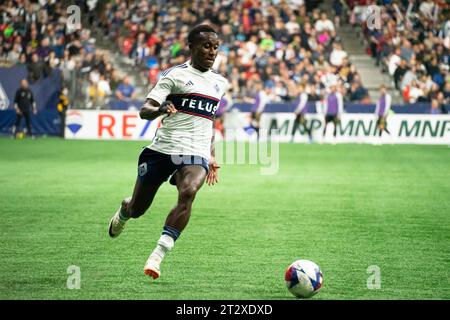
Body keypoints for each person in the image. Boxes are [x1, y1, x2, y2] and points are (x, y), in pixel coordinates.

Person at [108, 24, 229, 280]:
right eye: (206, 46)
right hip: (164, 149)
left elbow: (209, 121)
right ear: (192, 47)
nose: (212, 51)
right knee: (138, 209)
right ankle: (124, 210)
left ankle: (158, 255)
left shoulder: (220, 83)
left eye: (215, 47)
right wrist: (162, 109)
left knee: (188, 192)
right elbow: (145, 110)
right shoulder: (173, 76)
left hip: (195, 151)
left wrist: (212, 154)